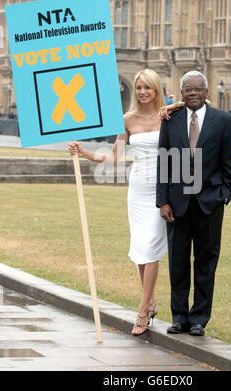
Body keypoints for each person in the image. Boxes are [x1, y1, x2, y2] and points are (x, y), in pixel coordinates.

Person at [69, 69, 167, 337]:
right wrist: (84, 152)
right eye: (139, 88)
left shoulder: (168, 116)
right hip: (137, 189)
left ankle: (143, 310)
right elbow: (114, 156)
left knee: (151, 247)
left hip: (162, 189)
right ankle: (150, 301)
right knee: (139, 248)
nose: (143, 92)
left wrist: (177, 104)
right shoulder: (127, 119)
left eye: (148, 87)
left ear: (157, 89)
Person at [156, 71, 231, 336]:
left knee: (206, 262)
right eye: (187, 89)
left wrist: (224, 193)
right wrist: (163, 200)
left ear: (206, 91)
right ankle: (179, 317)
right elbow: (164, 163)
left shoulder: (223, 120)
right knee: (178, 263)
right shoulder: (170, 119)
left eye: (197, 88)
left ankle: (199, 318)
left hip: (209, 203)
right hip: (177, 204)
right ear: (181, 93)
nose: (192, 93)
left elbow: (229, 162)